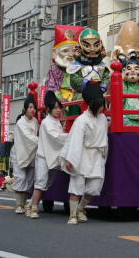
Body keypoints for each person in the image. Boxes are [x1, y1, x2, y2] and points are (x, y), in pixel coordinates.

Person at [59, 84, 108, 225]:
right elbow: (75, 141)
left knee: (94, 188)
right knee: (76, 186)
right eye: (99, 105)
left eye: (102, 104)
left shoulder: (103, 118)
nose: (102, 107)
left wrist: (104, 155)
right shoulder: (81, 120)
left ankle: (81, 208)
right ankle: (73, 214)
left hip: (97, 154)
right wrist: (71, 160)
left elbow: (104, 138)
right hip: (81, 154)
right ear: (91, 104)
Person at [29, 91, 68, 219]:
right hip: (43, 156)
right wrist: (70, 136)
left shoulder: (56, 121)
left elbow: (58, 138)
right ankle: (33, 208)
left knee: (47, 183)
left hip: (52, 156)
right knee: (41, 182)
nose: (58, 110)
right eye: (55, 108)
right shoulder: (46, 122)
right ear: (49, 109)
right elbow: (55, 137)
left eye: (59, 108)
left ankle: (31, 204)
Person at [11, 94, 39, 215]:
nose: (33, 110)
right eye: (30, 107)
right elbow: (28, 138)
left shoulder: (35, 121)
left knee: (29, 180)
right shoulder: (20, 122)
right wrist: (41, 142)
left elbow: (33, 138)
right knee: (20, 177)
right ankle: (18, 204)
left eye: (34, 108)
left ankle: (23, 204)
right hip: (19, 153)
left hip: (31, 153)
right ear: (25, 109)